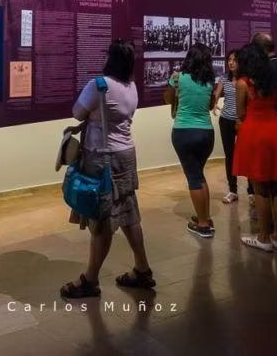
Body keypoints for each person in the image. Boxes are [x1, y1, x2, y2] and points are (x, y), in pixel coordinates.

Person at [60, 40, 154, 298]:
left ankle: (90, 279)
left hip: (102, 157)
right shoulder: (131, 86)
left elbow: (77, 112)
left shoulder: (99, 86)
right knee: (128, 211)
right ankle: (142, 269)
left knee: (102, 217)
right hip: (126, 154)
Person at [232, 43, 277, 252]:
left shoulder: (243, 84)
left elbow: (240, 112)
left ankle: (263, 237)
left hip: (256, 134)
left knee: (260, 186)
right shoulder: (274, 79)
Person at [167, 42, 217, 237]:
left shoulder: (178, 78)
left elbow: (168, 99)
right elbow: (211, 104)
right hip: (206, 133)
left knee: (194, 178)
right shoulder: (209, 81)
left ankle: (203, 224)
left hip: (184, 132)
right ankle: (205, 216)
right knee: (199, 175)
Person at [211, 49, 252, 205]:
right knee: (230, 156)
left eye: (234, 60)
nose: (231, 62)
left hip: (244, 121)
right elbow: (216, 94)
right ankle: (233, 190)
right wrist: (214, 104)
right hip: (227, 121)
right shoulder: (224, 78)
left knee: (247, 155)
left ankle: (251, 190)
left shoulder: (246, 79)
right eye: (229, 60)